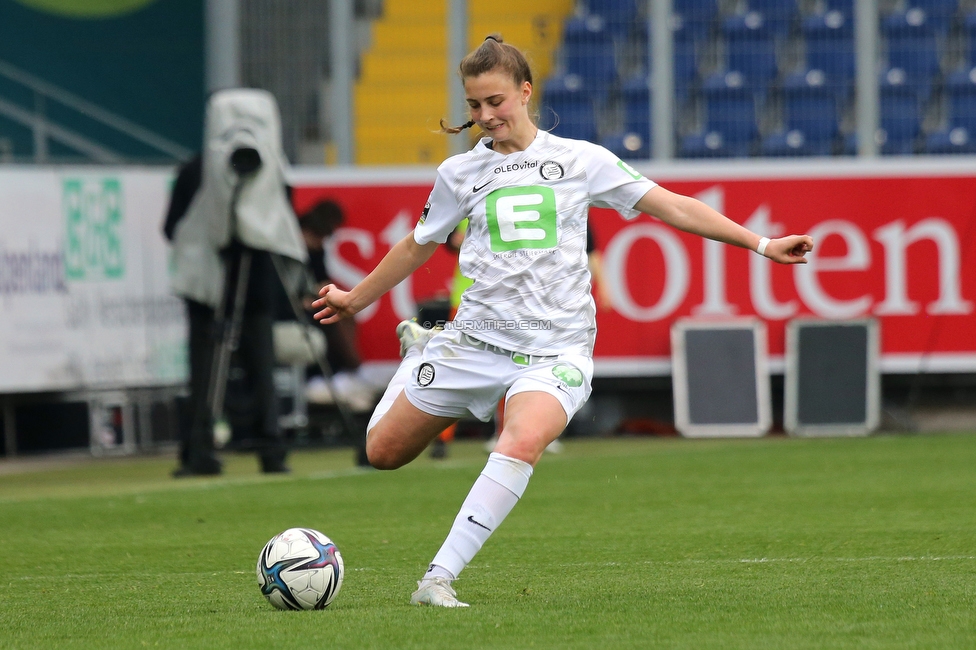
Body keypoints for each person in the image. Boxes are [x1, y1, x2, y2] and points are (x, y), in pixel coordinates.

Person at [312, 34, 814, 608]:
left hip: (558, 351)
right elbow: (418, 244)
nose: (485, 116)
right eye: (474, 106)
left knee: (521, 439)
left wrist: (762, 242)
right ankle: (420, 355)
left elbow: (672, 205)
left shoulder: (581, 160)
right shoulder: (458, 174)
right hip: (473, 342)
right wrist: (357, 299)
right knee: (383, 453)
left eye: (495, 102)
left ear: (525, 93)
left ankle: (437, 579)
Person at [165, 89, 306, 477]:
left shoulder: (194, 170)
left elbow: (169, 228)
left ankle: (199, 451)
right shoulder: (275, 175)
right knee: (260, 368)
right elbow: (283, 227)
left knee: (206, 371)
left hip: (215, 290)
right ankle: (271, 450)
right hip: (238, 289)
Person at [297, 200, 376, 413]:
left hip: (311, 301)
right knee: (330, 315)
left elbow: (321, 280)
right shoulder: (290, 245)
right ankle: (354, 368)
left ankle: (350, 369)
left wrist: (321, 291)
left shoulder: (317, 251)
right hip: (293, 308)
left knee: (343, 311)